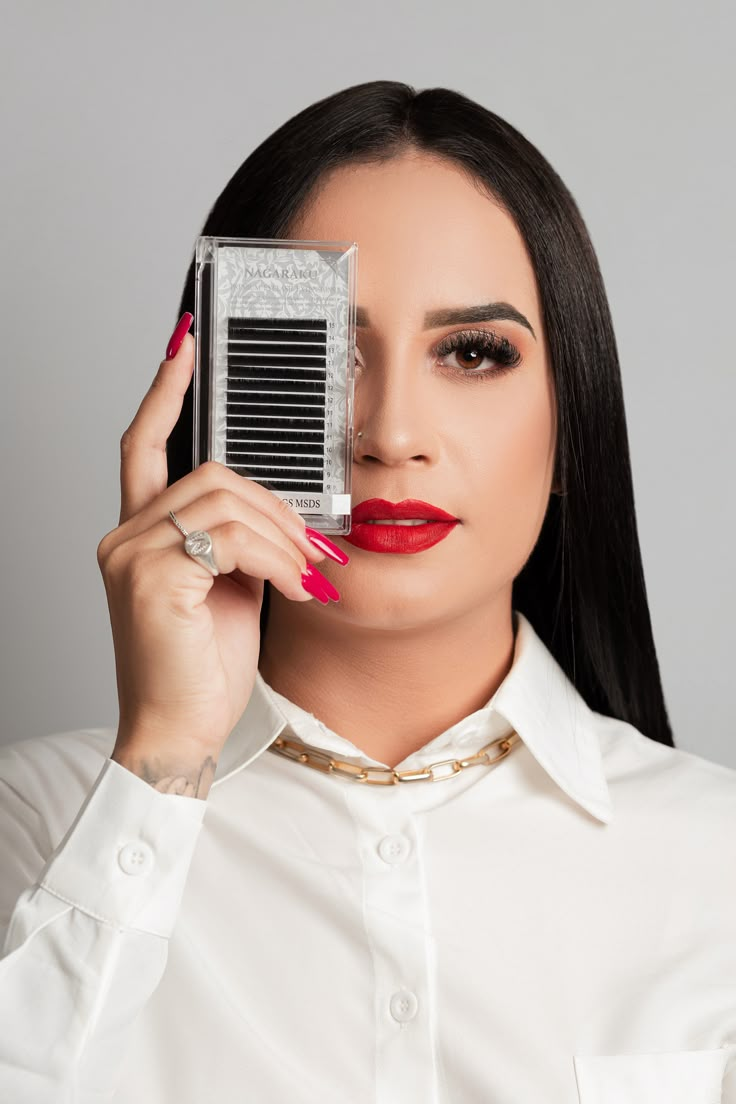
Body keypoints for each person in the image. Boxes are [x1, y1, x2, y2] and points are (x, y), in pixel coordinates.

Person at [1, 79, 734, 1104]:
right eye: (324, 354)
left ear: (572, 428)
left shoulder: (717, 863)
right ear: (213, 405)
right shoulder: (37, 825)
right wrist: (159, 767)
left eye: (473, 352)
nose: (390, 433)